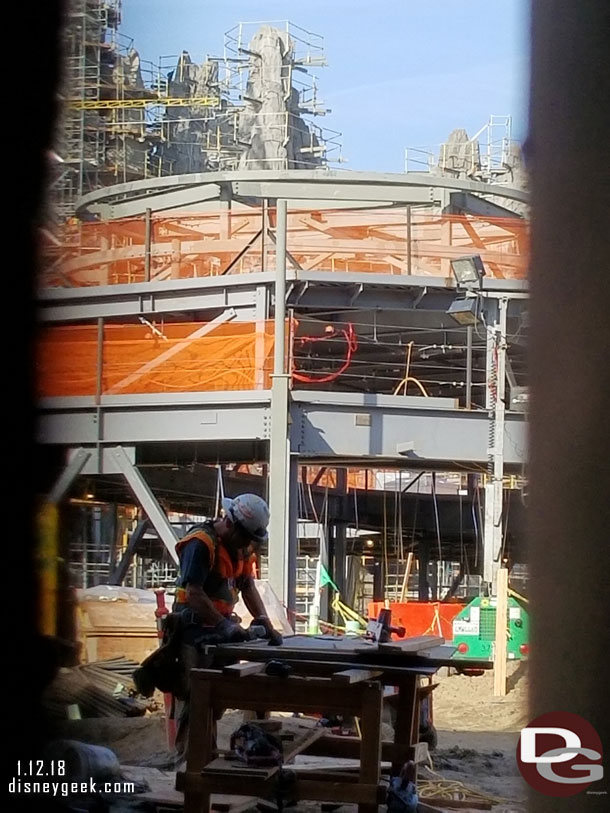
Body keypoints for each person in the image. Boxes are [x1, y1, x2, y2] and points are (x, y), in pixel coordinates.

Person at [171, 493, 282, 758]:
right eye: (245, 537)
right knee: (197, 698)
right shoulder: (200, 544)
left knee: (217, 699)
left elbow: (247, 586)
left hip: (219, 634)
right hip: (193, 632)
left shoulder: (240, 547)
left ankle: (206, 755)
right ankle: (188, 760)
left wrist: (264, 620)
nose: (247, 544)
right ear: (230, 524)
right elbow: (194, 593)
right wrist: (224, 624)